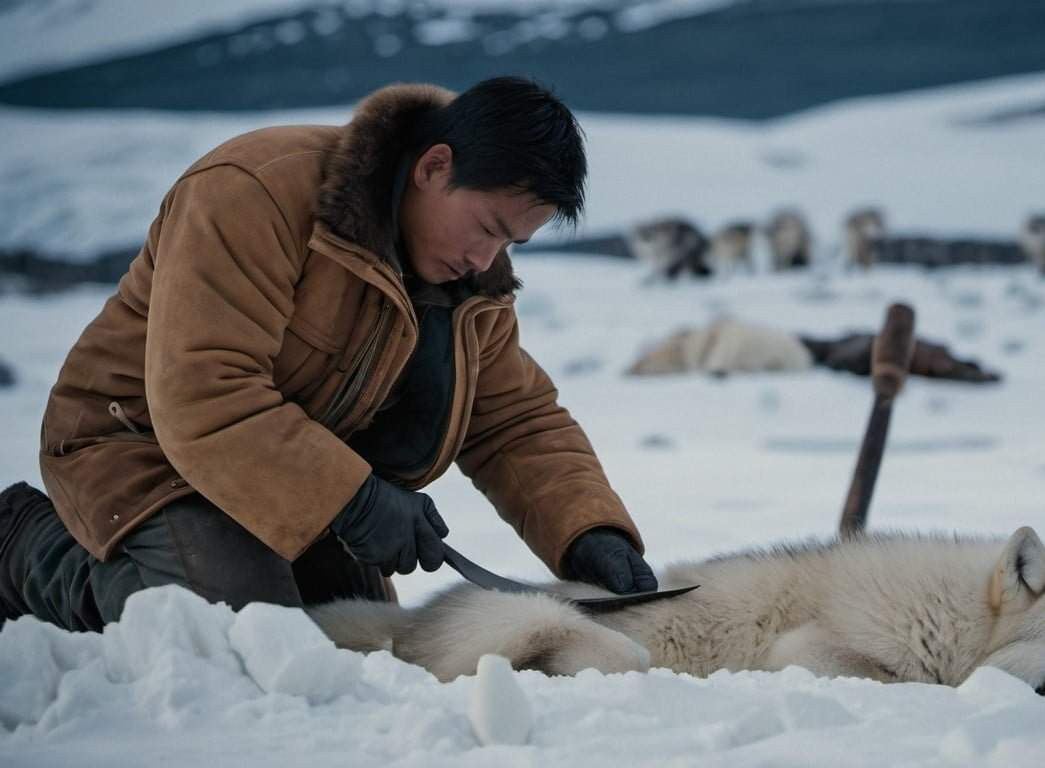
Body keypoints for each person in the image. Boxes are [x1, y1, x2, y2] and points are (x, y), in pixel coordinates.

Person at [0, 78, 656, 633]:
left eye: (510, 243)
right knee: (230, 636)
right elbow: (204, 390)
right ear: (435, 167)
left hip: (295, 478)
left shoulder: (466, 276)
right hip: (140, 450)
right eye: (487, 228)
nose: (487, 260)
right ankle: (23, 545)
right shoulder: (253, 190)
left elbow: (512, 419)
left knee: (359, 646)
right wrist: (356, 501)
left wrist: (588, 532)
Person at [627, 310, 1001, 383]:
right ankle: (953, 366)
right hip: (804, 350)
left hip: (803, 349)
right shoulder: (710, 341)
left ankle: (953, 366)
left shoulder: (712, 340)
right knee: (864, 348)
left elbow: (728, 345)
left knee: (864, 347)